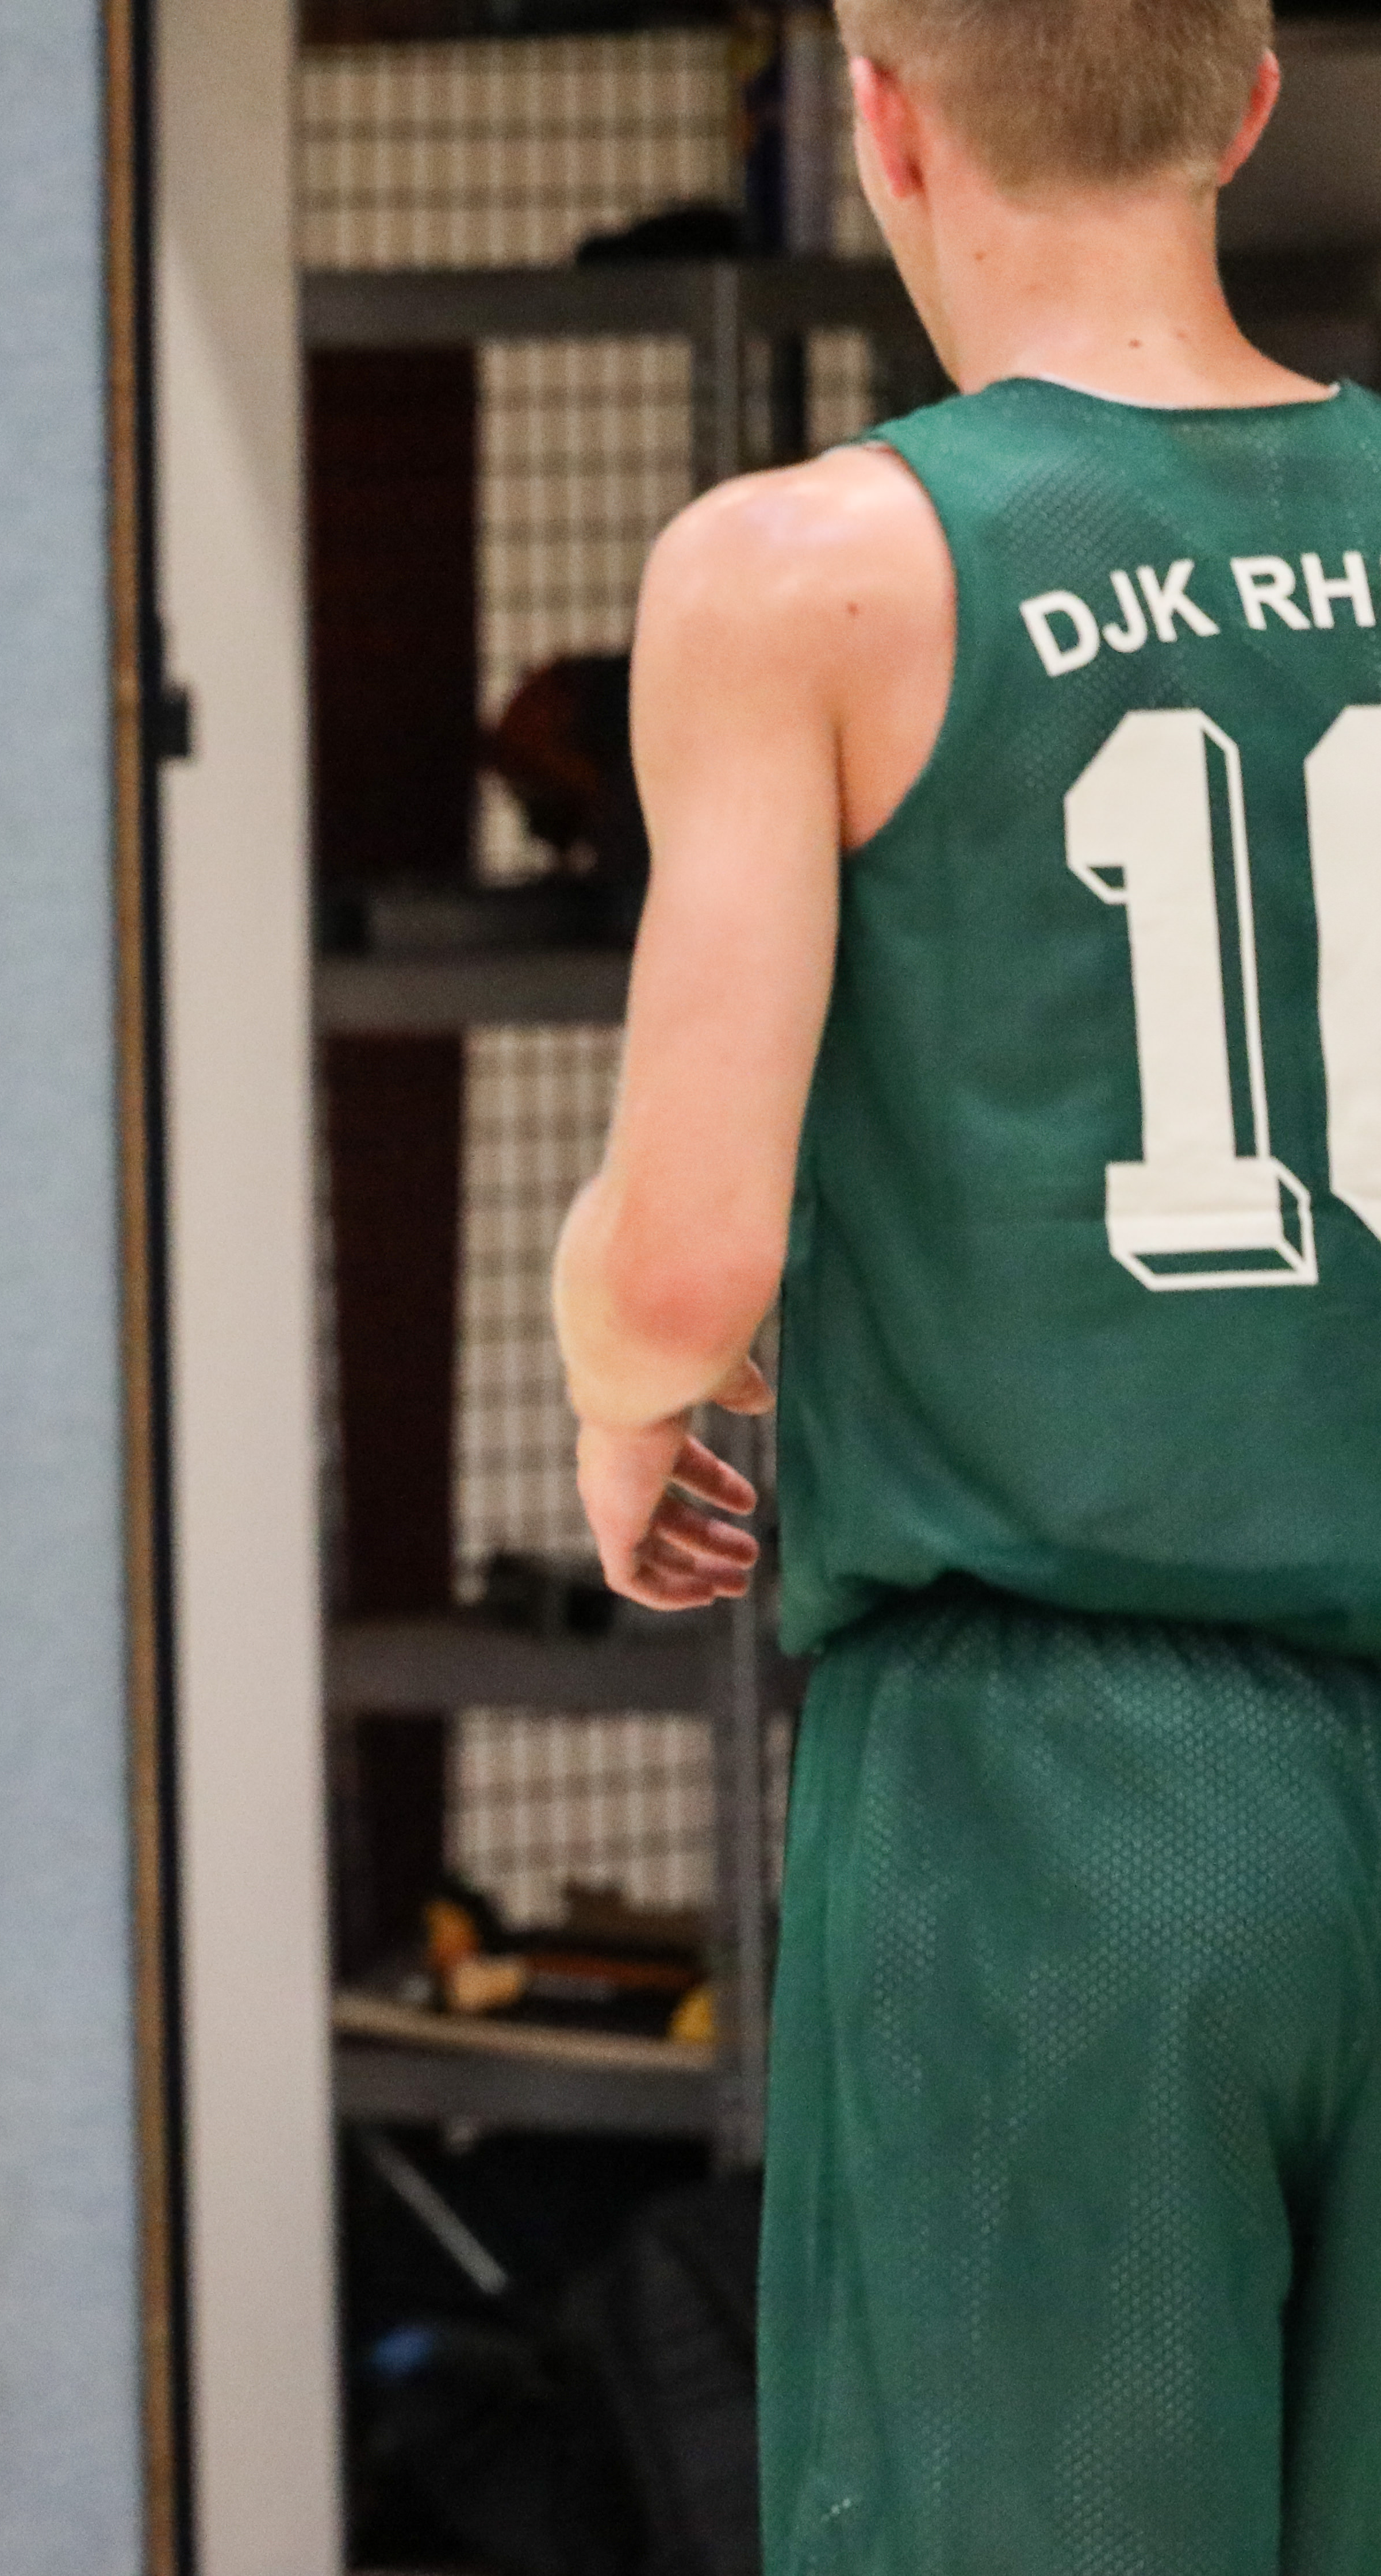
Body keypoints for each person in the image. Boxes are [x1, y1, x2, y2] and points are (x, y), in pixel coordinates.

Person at [554, 3, 1381, 2566]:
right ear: (1250, 103)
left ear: (883, 120)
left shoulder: (806, 566)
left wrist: (613, 1385)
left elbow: (685, 1260)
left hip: (1060, 1783)